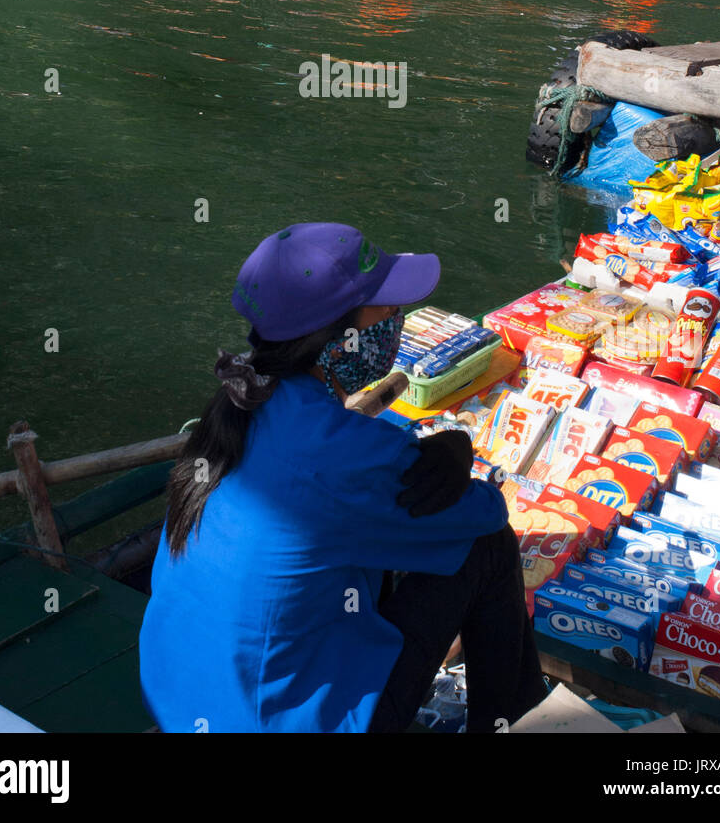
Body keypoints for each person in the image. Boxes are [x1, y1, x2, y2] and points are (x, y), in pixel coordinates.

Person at [139, 222, 545, 734]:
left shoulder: (238, 408)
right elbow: (485, 511)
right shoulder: (339, 452)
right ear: (339, 334)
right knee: (488, 545)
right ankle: (518, 722)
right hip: (271, 722)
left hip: (179, 701)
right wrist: (457, 449)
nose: (397, 318)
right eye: (386, 308)